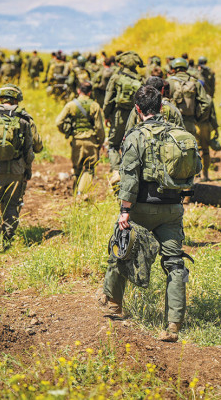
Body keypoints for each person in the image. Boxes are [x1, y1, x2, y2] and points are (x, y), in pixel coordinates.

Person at [97, 85, 201, 342]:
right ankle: (173, 325)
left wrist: (125, 211)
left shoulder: (135, 136)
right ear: (161, 108)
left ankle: (113, 303)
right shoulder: (179, 133)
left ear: (138, 109)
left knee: (121, 248)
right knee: (175, 264)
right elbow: (195, 166)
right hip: (172, 209)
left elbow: (129, 177)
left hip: (141, 208)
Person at [0, 84, 43, 250]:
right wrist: (28, 170)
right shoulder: (24, 118)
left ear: (0, 98)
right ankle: (7, 236)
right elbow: (29, 150)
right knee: (13, 202)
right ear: (17, 99)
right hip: (16, 168)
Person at [55, 81, 105, 195]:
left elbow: (58, 121)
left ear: (78, 91)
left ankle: (74, 192)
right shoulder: (94, 105)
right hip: (91, 141)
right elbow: (99, 128)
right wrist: (100, 142)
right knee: (89, 168)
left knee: (76, 168)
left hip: (76, 141)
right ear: (90, 92)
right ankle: (81, 194)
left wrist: (67, 132)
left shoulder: (71, 105)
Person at [167, 57, 213, 180]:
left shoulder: (168, 82)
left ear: (173, 69)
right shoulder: (195, 83)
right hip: (190, 123)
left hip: (171, 125)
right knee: (190, 153)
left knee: (173, 153)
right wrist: (197, 117)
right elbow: (206, 104)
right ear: (186, 68)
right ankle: (188, 188)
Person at [103, 51, 145, 184]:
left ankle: (116, 171)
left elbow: (108, 100)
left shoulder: (116, 78)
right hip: (136, 115)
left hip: (118, 115)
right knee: (132, 144)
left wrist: (106, 116)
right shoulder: (140, 80)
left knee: (113, 145)